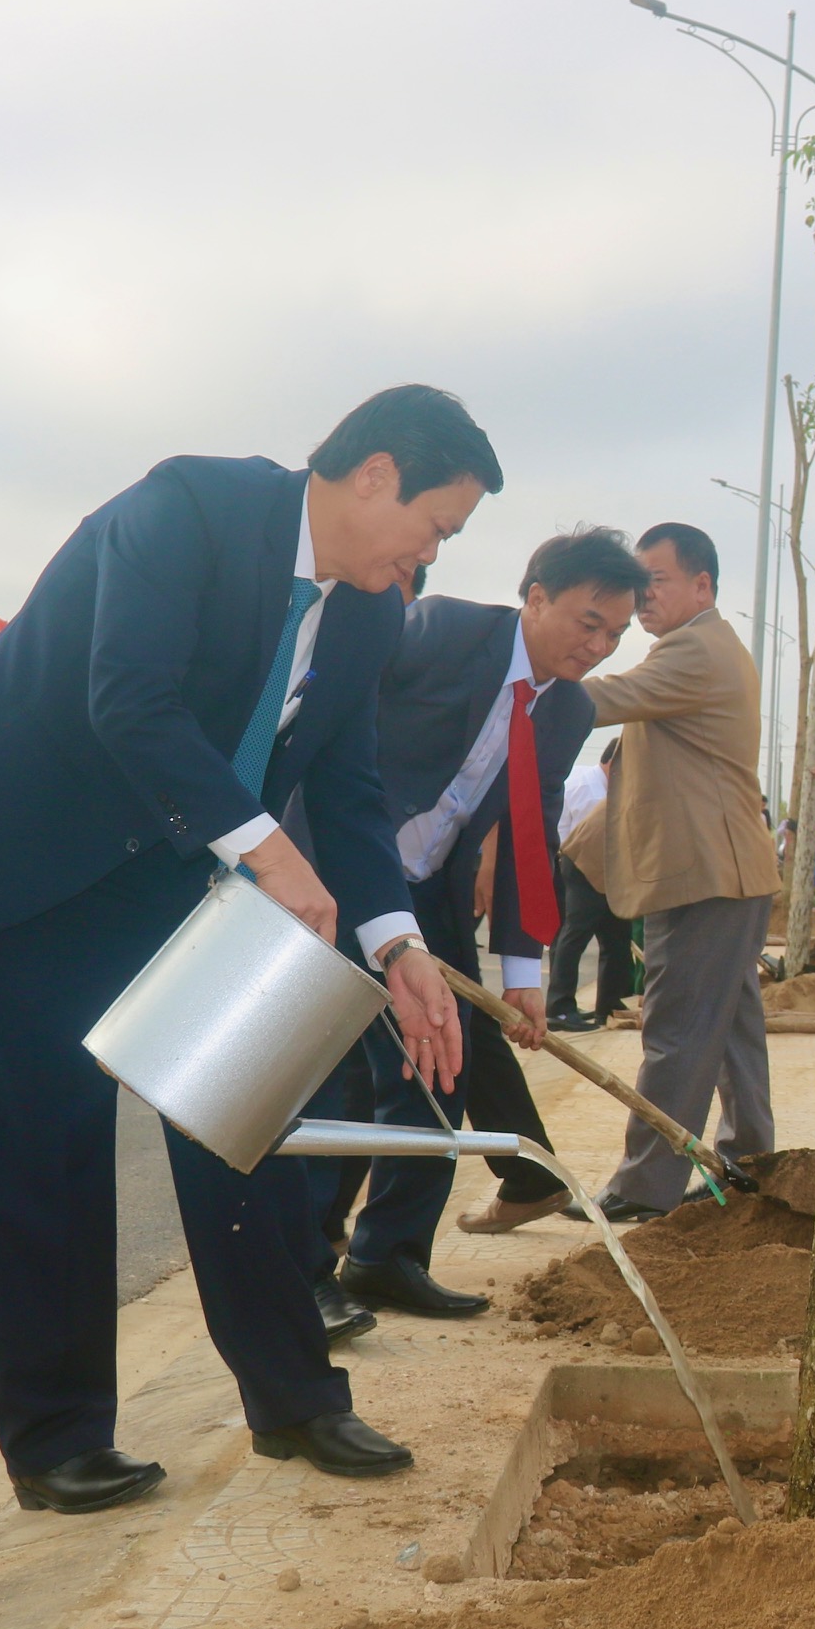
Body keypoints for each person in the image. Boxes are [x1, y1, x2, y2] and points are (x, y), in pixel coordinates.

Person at [0, 384, 492, 1516]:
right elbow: (130, 699)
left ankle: (294, 1398)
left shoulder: (364, 612)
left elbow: (348, 791)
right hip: (35, 856)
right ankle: (56, 1437)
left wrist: (396, 940)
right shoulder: (190, 507)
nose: (429, 556)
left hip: (180, 862)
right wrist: (268, 854)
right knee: (45, 1149)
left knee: (240, 1121)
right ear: (375, 474)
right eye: (437, 526)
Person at [335, 527, 644, 1302]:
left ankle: (386, 1256)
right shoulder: (441, 630)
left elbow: (531, 834)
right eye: (588, 621)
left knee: (444, 1062)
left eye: (616, 632)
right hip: (344, 868)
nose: (600, 644)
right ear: (535, 596)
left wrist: (521, 974)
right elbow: (332, 709)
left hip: (428, 890)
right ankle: (309, 1267)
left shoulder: (567, 708)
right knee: (360, 1067)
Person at [572, 523, 782, 1222]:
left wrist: (529, 672)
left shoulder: (693, 649)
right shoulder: (703, 646)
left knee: (676, 1035)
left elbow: (601, 700)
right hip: (725, 873)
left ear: (702, 585)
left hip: (704, 877)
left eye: (654, 579)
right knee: (726, 1033)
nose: (641, 595)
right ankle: (750, 1164)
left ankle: (642, 1189)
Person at [546, 738, 634, 1032]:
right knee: (574, 935)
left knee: (616, 938)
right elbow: (579, 840)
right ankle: (559, 1009)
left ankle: (609, 1006)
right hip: (580, 863)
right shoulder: (589, 790)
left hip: (603, 868)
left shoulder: (610, 786)